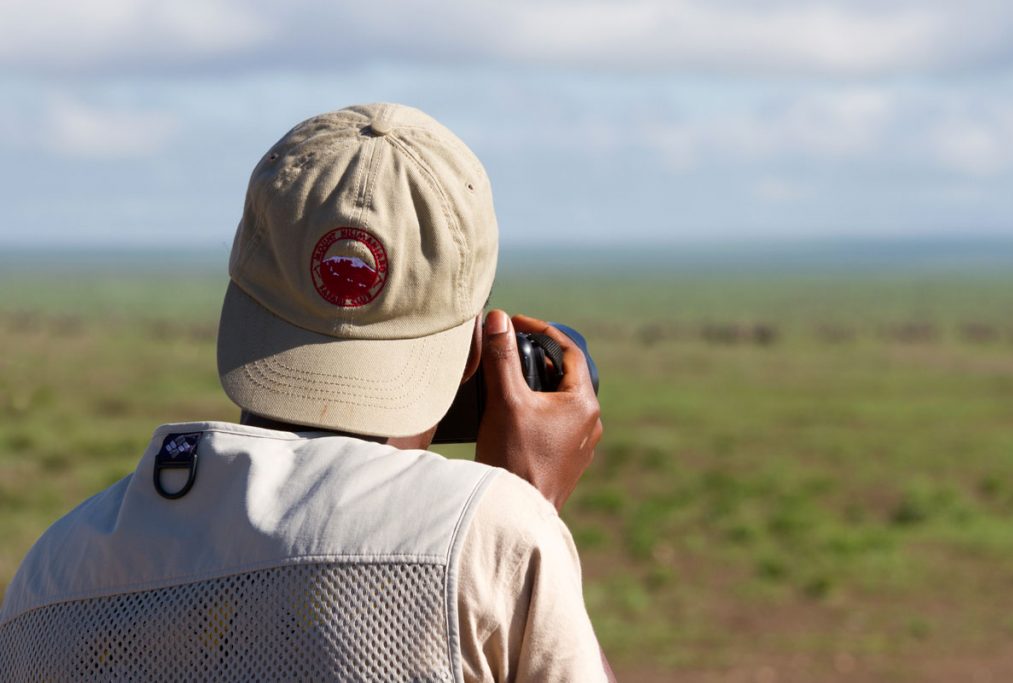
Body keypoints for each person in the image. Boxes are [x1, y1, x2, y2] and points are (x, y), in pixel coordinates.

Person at [0, 103, 615, 681]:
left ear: (240, 304)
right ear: (475, 354)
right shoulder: (490, 535)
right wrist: (525, 511)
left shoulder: (51, 575)